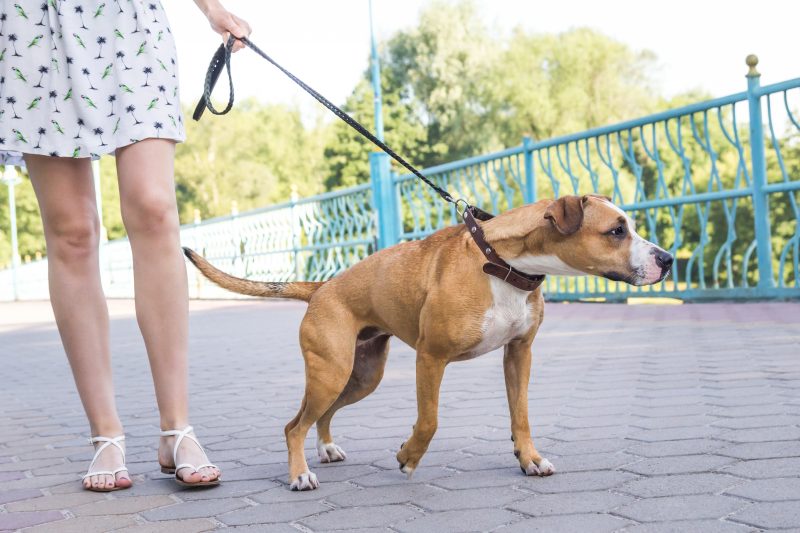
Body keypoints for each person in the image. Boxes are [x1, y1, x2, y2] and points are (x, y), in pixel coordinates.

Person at [0, 0, 251, 491]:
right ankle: (105, 435)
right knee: (72, 232)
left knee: (154, 207)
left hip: (126, 18)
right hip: (33, 23)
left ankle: (177, 428)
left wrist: (211, 8)